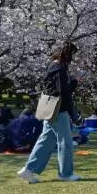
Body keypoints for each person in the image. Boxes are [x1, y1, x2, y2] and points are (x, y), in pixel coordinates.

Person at [18, 42, 80, 183]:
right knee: (65, 142)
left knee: (46, 140)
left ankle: (28, 170)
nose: (72, 58)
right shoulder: (59, 68)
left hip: (49, 108)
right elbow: (63, 91)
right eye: (72, 54)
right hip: (59, 110)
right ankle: (65, 173)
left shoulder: (51, 66)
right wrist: (75, 81)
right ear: (67, 54)